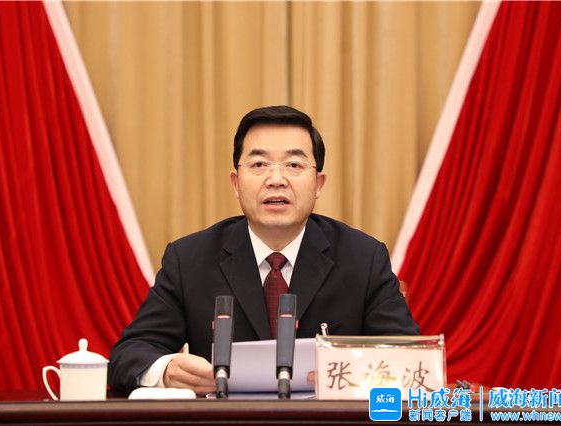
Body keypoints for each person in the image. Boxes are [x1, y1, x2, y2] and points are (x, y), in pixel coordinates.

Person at [108, 105, 419, 394]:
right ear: (235, 182)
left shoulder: (363, 258)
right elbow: (129, 354)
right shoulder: (189, 260)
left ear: (318, 184)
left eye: (294, 164)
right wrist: (167, 370)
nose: (276, 179)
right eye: (259, 164)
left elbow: (410, 360)